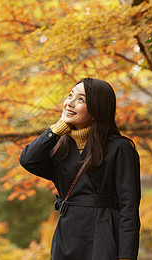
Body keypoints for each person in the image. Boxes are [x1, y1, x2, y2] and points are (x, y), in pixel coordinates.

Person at [19, 78, 140, 260]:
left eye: (81, 99)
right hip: (67, 236)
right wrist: (57, 130)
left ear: (96, 110)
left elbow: (129, 206)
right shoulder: (61, 147)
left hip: (103, 235)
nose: (70, 103)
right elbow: (28, 160)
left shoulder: (119, 148)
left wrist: (126, 256)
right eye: (70, 95)